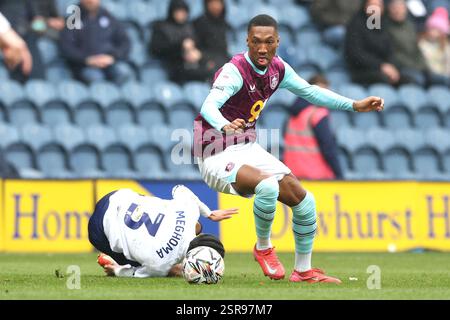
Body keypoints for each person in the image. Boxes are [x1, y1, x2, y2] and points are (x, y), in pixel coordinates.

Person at [193, 14, 384, 283]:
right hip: (214, 151)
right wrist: (224, 126)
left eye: (269, 42)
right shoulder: (234, 71)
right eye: (256, 42)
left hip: (245, 146)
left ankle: (303, 270)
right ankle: (263, 248)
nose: (262, 48)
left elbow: (311, 92)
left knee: (304, 200)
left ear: (277, 42)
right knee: (268, 186)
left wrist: (354, 104)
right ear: (247, 41)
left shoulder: (278, 69)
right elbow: (208, 106)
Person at [89, 185, 238, 277]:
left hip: (117, 197)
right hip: (100, 231)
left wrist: (209, 214)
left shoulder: (189, 211)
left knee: (162, 211)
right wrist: (115, 270)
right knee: (162, 268)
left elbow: (179, 188)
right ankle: (115, 259)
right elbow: (133, 273)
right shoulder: (161, 265)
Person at [283, 75, 343, 180]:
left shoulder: (291, 115)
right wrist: (339, 174)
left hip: (292, 174)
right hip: (317, 175)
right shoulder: (318, 114)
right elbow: (328, 147)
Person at [59, 0, 131, 84]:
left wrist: (112, 57)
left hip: (109, 62)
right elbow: (66, 47)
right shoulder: (73, 19)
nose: (90, 1)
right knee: (96, 78)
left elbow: (125, 42)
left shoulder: (108, 16)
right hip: (85, 65)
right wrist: (87, 59)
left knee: (124, 73)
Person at [345, 0, 411, 86]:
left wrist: (391, 67)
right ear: (365, 6)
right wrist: (381, 66)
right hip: (362, 70)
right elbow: (356, 54)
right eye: (372, 5)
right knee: (384, 79)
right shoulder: (355, 24)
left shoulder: (383, 25)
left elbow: (390, 51)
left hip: (383, 69)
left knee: (409, 80)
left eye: (379, 6)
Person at [150, 0, 210, 84]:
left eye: (184, 12)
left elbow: (200, 46)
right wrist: (180, 47)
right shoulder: (161, 27)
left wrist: (198, 54)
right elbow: (156, 49)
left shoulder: (190, 27)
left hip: (193, 65)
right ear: (172, 11)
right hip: (174, 65)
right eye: (178, 11)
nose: (181, 14)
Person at [386, 0, 428, 86]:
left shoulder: (409, 26)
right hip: (400, 69)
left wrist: (424, 67)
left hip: (417, 67)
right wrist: (414, 66)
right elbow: (392, 54)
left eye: (401, 7)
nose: (398, 10)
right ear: (389, 9)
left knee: (441, 80)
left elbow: (417, 50)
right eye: (395, 7)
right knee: (418, 80)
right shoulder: (385, 27)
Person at [0, 0, 44, 82]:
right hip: (6, 37)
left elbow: (39, 22)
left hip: (27, 34)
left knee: (36, 73)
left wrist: (39, 29)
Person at [193, 0, 230, 82]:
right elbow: (196, 49)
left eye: (218, 3)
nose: (216, 6)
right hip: (207, 62)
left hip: (223, 59)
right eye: (212, 3)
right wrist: (206, 59)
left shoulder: (224, 23)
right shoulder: (199, 23)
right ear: (207, 4)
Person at [418, 7, 450, 86]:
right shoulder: (422, 43)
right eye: (431, 29)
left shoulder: (446, 47)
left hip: (443, 75)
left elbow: (448, 64)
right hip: (429, 75)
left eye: (437, 30)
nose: (433, 32)